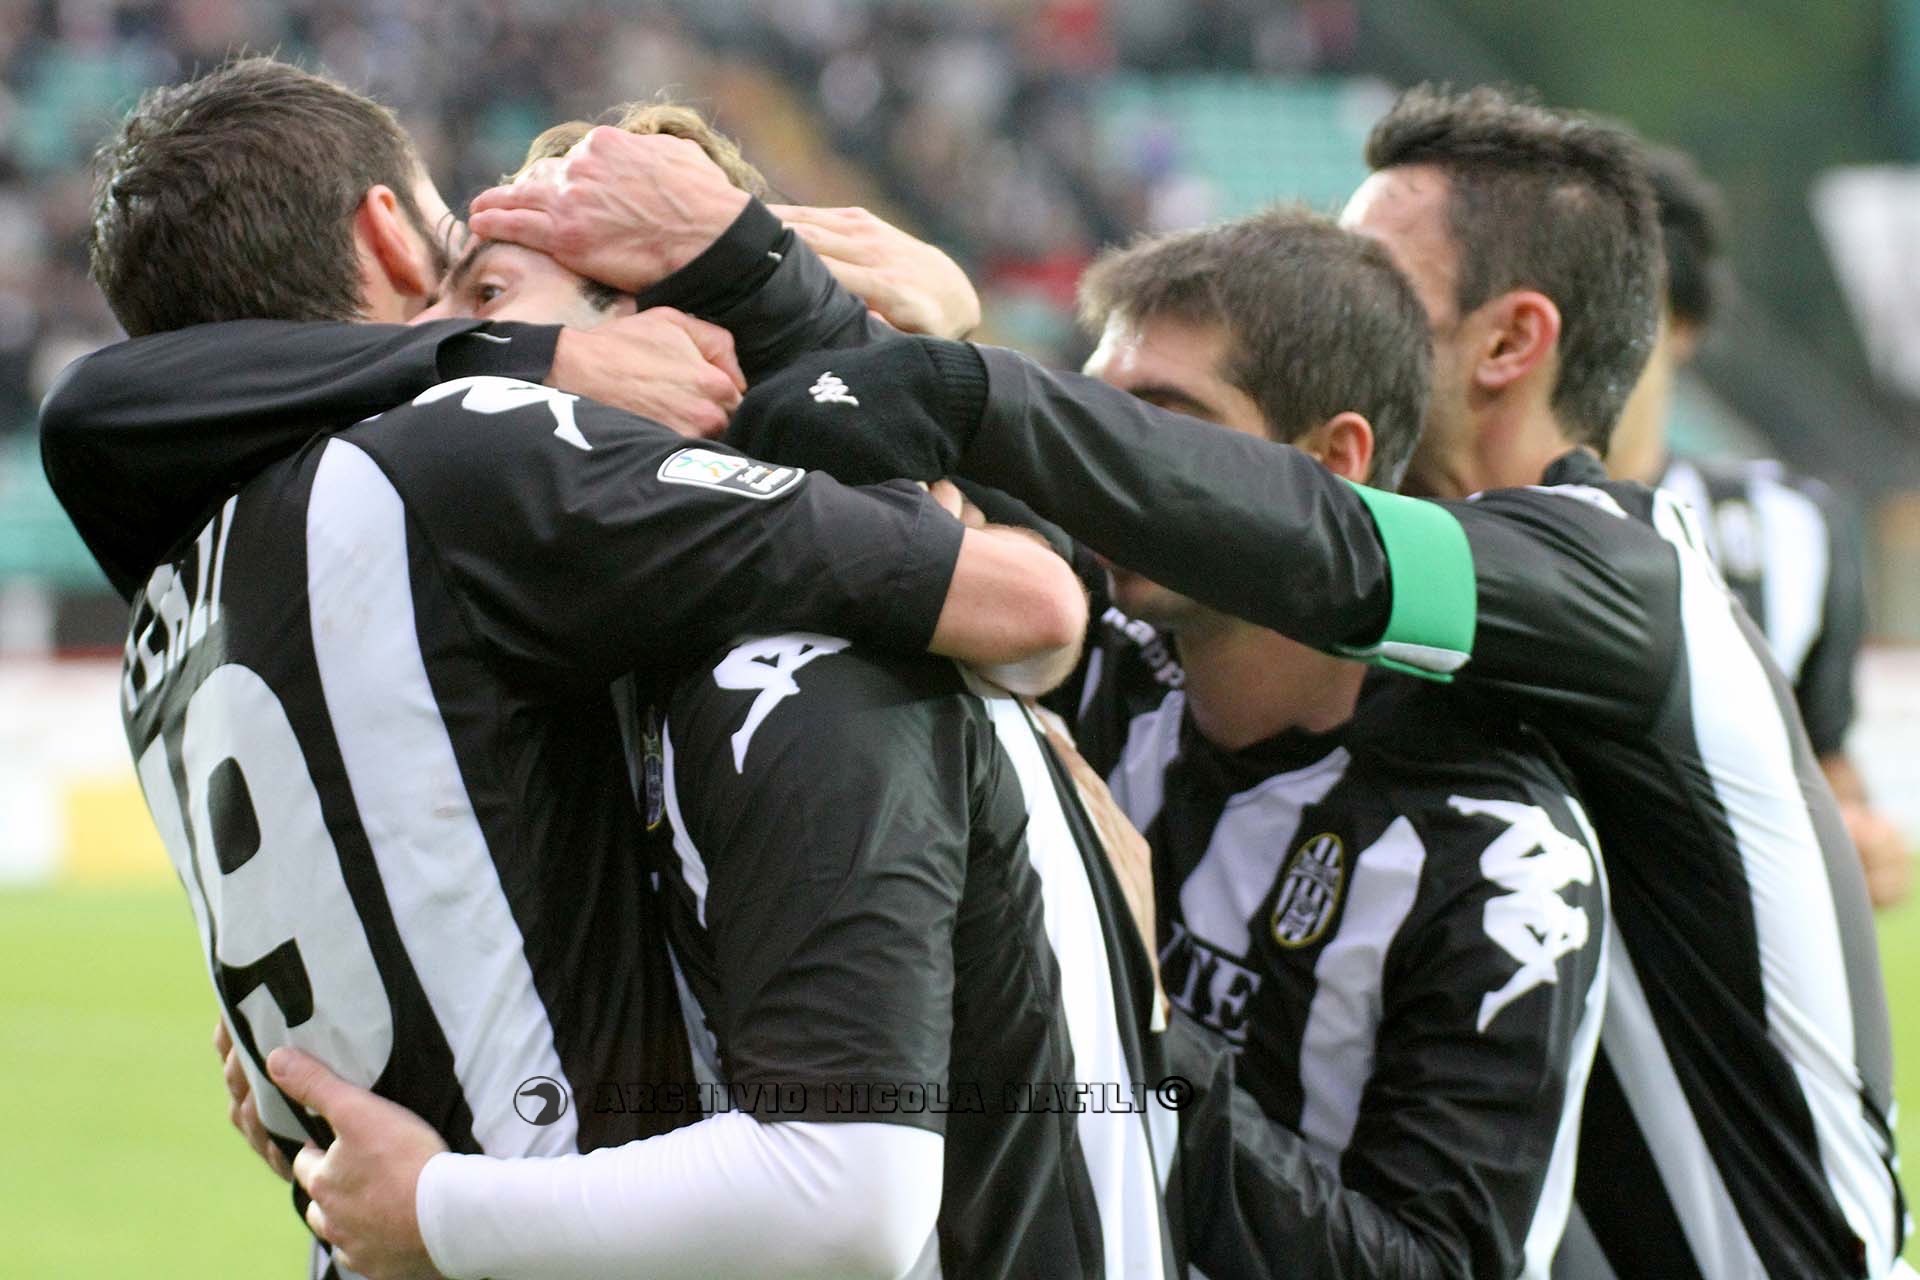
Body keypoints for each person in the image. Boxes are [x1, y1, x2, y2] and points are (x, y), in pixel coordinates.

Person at [710, 85, 1900, 1279]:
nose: (1336, 286)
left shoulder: (1618, 582)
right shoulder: (1281, 662)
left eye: (1382, 270)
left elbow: (1311, 540)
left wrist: (976, 386)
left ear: (1509, 343)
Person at [52, 57, 1088, 1279]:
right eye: (466, 266)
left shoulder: (175, 607)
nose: (477, 319)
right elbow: (1029, 600)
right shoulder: (463, 454)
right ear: (385, 230)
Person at [1073, 209, 1608, 1279]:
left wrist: (1132, 1004)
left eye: (1166, 423)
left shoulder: (1496, 856)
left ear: (1331, 460)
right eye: (1094, 415)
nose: (1101, 464)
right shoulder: (1082, 665)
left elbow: (1436, 1266)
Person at [1607, 143, 1910, 909]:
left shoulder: (1795, 529)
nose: (1587, 339)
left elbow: (1823, 758)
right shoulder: (1451, 520)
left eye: (1618, 305)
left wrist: (1861, 837)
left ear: (1684, 323)